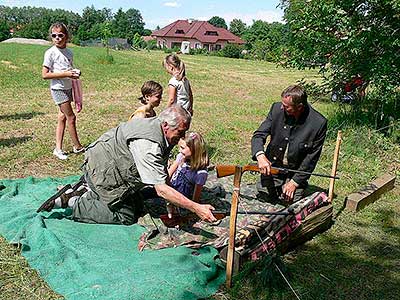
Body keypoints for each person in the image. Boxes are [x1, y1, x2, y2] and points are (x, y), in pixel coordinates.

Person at [37, 105, 217, 225]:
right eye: (181, 131)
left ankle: (84, 188)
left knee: (138, 205)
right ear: (166, 125)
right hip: (103, 171)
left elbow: (159, 171)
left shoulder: (158, 128)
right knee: (127, 215)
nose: (183, 136)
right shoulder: (149, 143)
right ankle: (73, 202)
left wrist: (171, 201)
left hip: (104, 162)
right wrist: (195, 207)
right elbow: (161, 188)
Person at [251, 85, 327, 203]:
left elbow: (311, 158)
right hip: (273, 169)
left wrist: (294, 182)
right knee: (263, 196)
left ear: (300, 107)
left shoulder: (318, 123)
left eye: (286, 107)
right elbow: (258, 135)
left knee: (291, 202)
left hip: (294, 173)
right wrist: (260, 156)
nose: (282, 107)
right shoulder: (276, 109)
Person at [42, 22, 84, 160]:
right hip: (58, 89)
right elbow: (45, 75)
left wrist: (74, 73)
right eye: (54, 36)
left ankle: (58, 148)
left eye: (60, 35)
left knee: (62, 117)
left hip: (68, 88)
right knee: (71, 117)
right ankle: (77, 146)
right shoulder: (50, 53)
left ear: (66, 36)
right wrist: (66, 74)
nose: (57, 38)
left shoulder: (69, 52)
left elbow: (67, 68)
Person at [168, 132, 209, 203]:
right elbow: (169, 174)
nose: (179, 151)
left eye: (182, 148)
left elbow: (195, 199)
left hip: (181, 200)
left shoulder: (201, 173)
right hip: (170, 190)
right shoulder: (181, 157)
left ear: (194, 149)